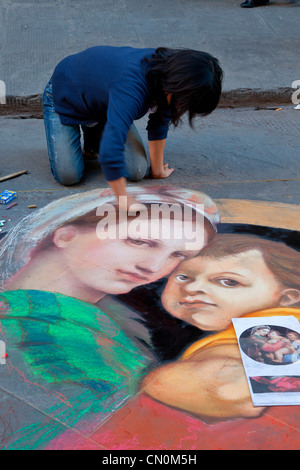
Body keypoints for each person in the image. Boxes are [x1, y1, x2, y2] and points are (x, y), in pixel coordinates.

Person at [142, 233, 300, 421]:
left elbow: (228, 390)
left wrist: (159, 382)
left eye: (229, 282)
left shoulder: (274, 324)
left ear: (287, 298)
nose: (192, 288)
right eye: (184, 277)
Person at [43, 46, 223, 207]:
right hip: (65, 96)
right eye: (185, 104)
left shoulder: (172, 75)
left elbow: (161, 118)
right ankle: (90, 132)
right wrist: (123, 199)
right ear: (180, 88)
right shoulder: (132, 87)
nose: (182, 109)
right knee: (70, 176)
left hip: (105, 104)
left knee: (136, 170)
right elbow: (111, 149)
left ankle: (93, 134)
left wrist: (158, 170)